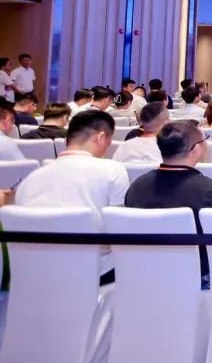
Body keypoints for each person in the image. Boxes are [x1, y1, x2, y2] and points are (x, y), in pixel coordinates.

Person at [15, 111, 129, 278]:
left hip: (34, 274)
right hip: (96, 273)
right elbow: (119, 228)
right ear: (100, 137)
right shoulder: (114, 170)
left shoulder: (30, 180)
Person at [124, 120, 212, 286]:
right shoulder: (209, 190)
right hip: (197, 279)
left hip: (143, 277)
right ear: (196, 149)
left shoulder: (137, 185)